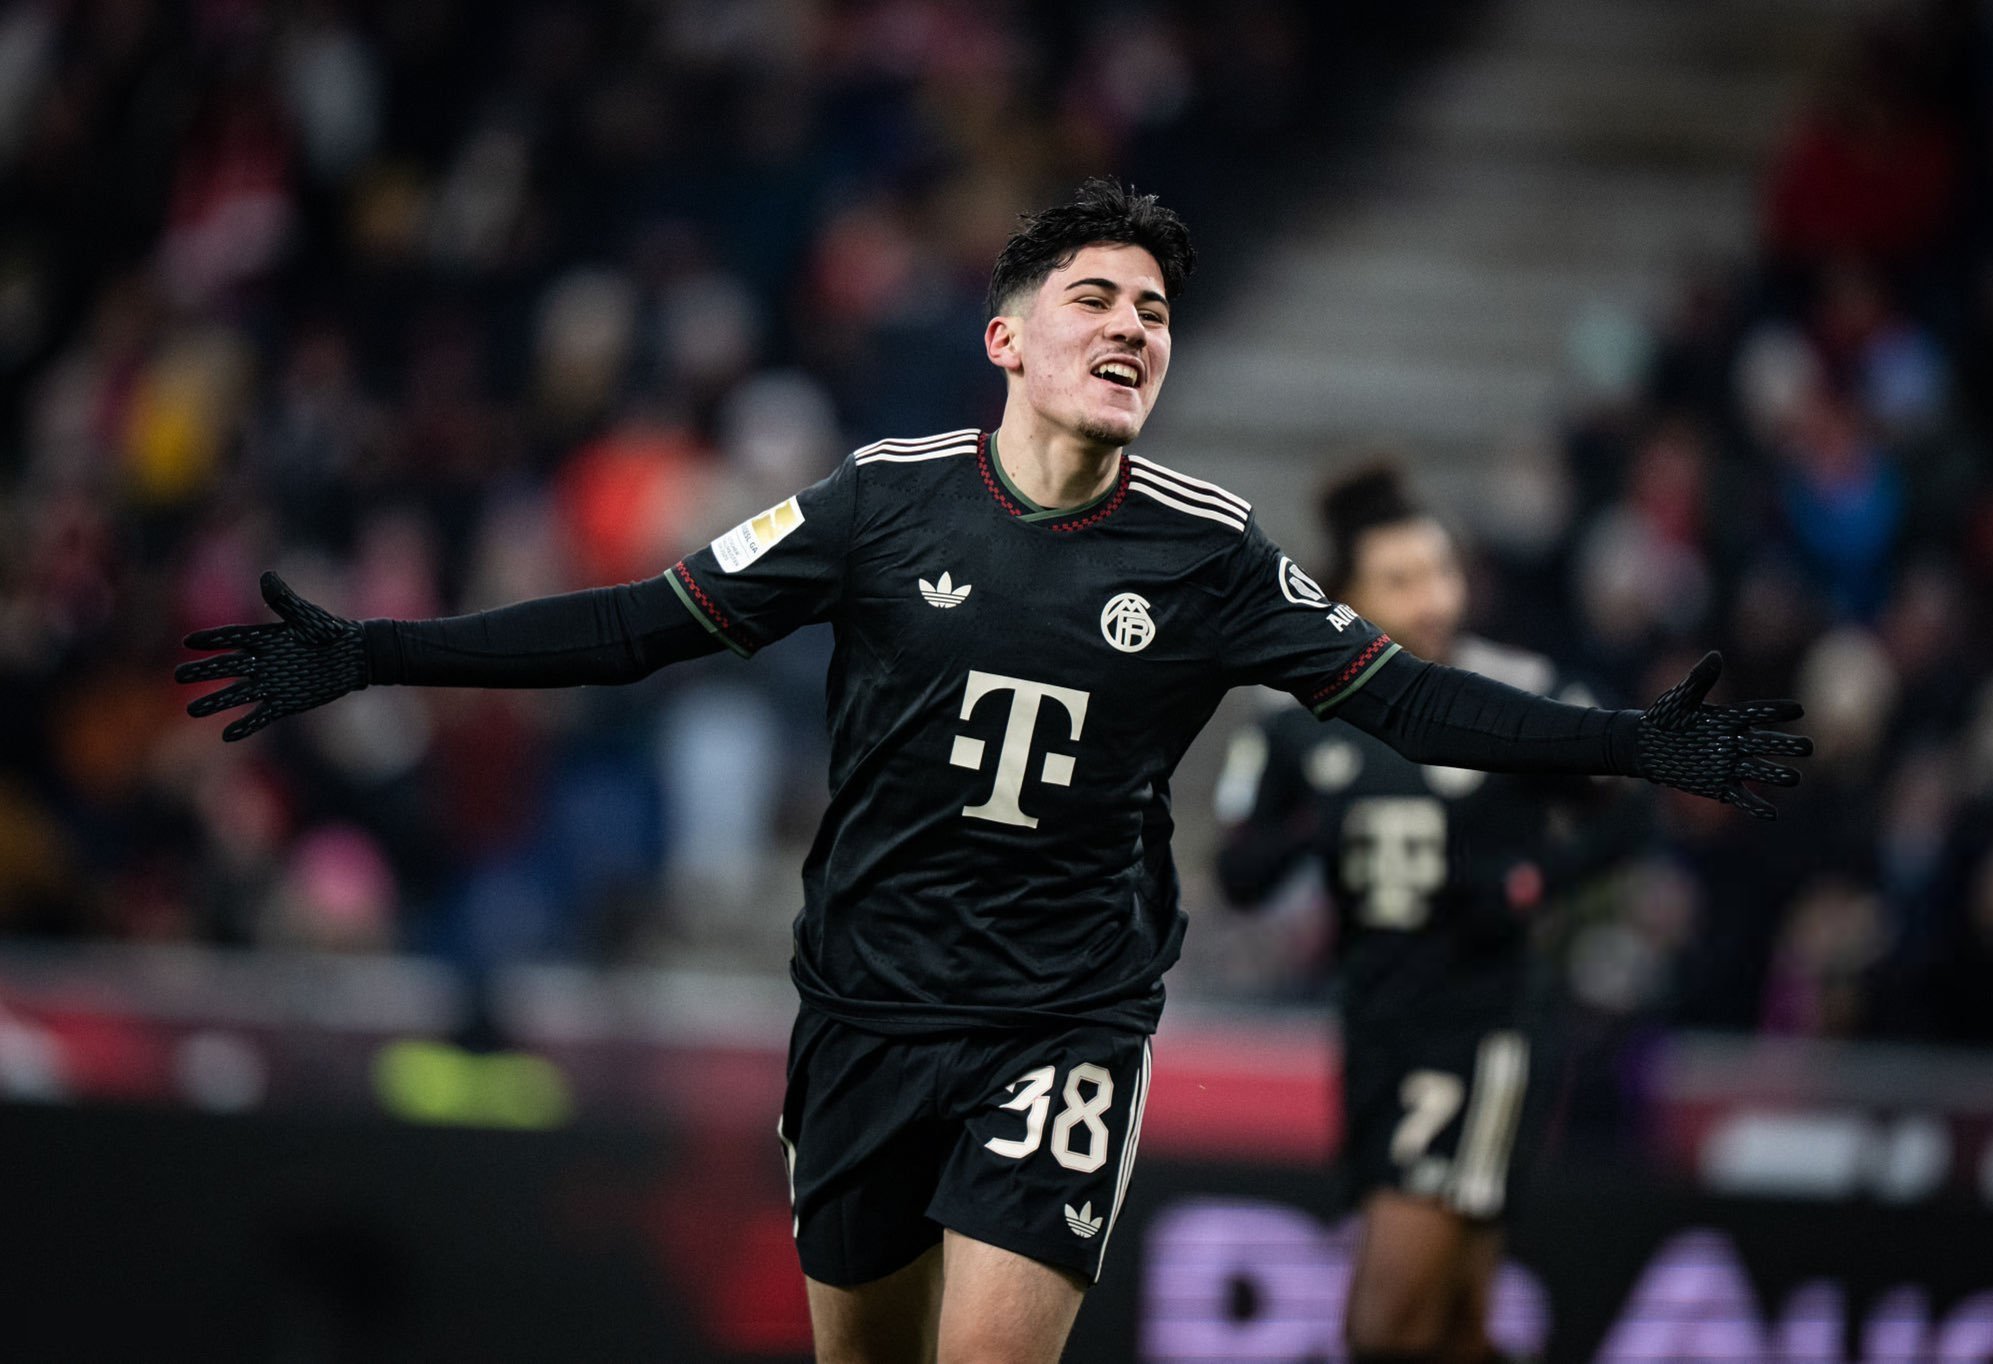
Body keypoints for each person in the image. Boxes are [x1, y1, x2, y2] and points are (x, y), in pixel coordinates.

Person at [177, 178, 1809, 1364]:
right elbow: (632, 627)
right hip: (863, 1012)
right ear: (1007, 339)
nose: (1133, 328)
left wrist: (1631, 743)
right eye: (1097, 300)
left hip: (1060, 1020)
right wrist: (375, 650)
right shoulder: (877, 500)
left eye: (1154, 312)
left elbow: (1411, 703)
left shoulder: (1210, 551)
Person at [1214, 461, 1651, 1364]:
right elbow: (1238, 874)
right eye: (1402, 579)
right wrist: (1310, 827)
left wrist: (1535, 881)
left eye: (1442, 571)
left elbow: (1630, 808)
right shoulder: (1293, 718)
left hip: (1481, 1023)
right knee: (1453, 1330)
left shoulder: (1514, 688)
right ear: (1345, 600)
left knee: (1381, 1329)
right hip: (1375, 1022)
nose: (1434, 599)